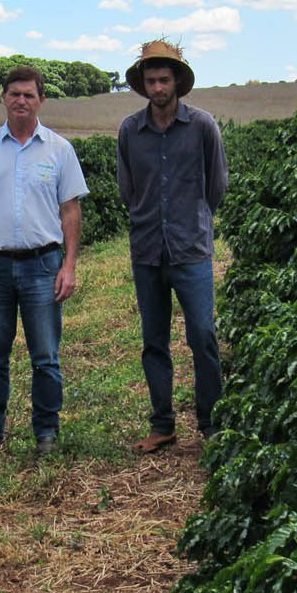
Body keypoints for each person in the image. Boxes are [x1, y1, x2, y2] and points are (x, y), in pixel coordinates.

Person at [0, 66, 88, 458]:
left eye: (29, 95)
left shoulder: (59, 150)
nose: (21, 101)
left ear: (41, 100)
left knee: (45, 356)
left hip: (43, 265)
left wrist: (69, 265)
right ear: (4, 98)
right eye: (14, 94)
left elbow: (70, 211)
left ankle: (46, 432)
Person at [116, 40, 228, 453]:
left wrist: (191, 219)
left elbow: (216, 185)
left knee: (203, 335)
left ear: (177, 81)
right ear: (143, 85)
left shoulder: (202, 126)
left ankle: (211, 423)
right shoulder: (130, 130)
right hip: (147, 250)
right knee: (154, 341)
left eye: (164, 79)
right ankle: (162, 425)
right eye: (151, 81)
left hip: (191, 250)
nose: (158, 87)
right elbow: (127, 189)